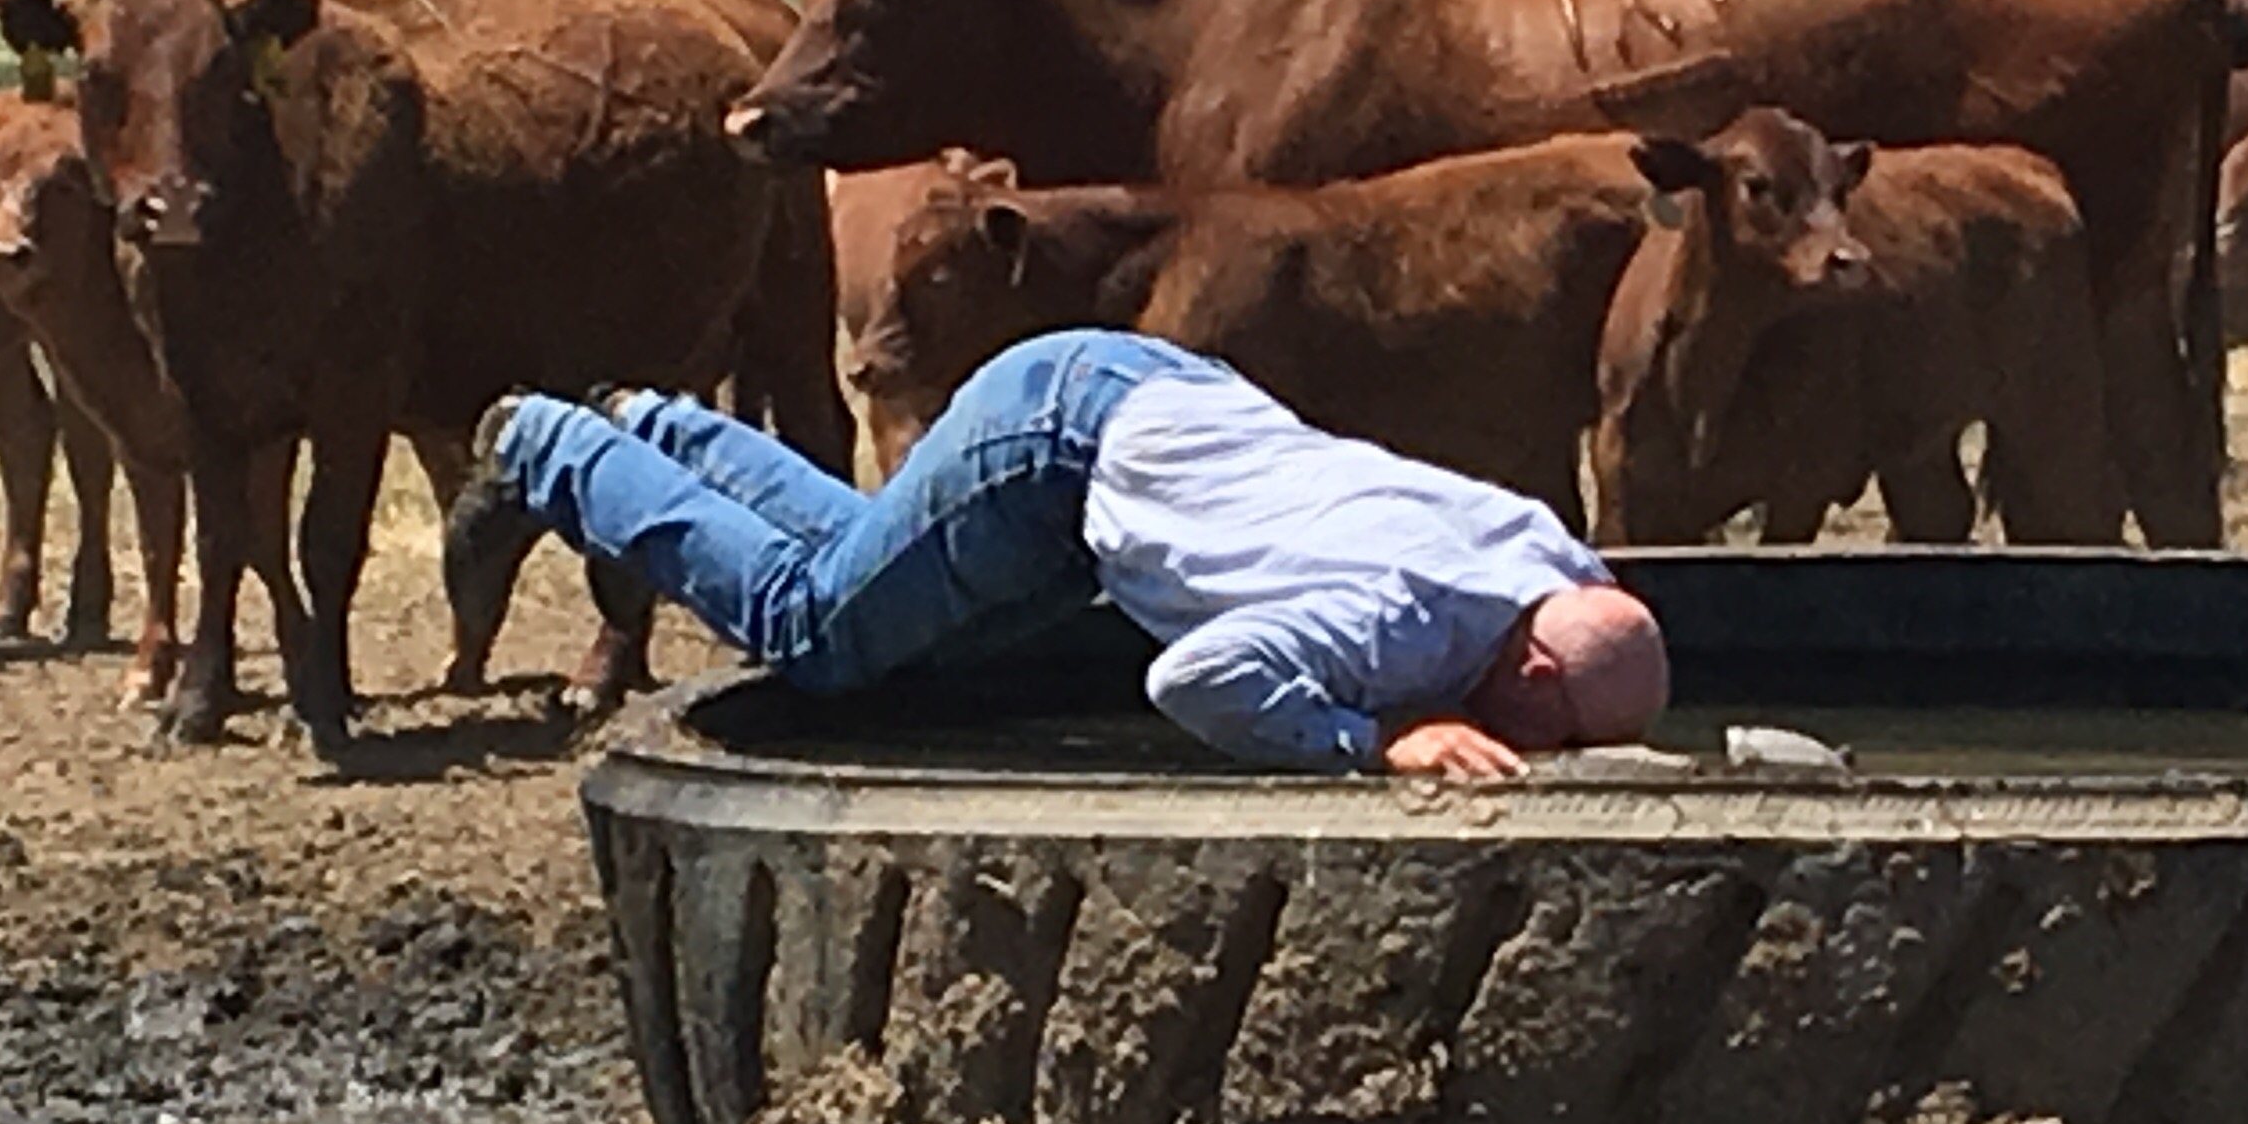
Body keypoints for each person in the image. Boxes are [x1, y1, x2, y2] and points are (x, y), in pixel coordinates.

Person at [450, 330, 1667, 774]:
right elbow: (1196, 680)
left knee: (873, 582)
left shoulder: (1545, 561)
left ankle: (656, 428)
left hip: (1150, 396)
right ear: (1534, 673)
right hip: (1056, 452)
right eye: (1555, 737)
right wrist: (1374, 738)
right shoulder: (1390, 623)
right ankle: (548, 446)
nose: (1541, 757)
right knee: (813, 630)